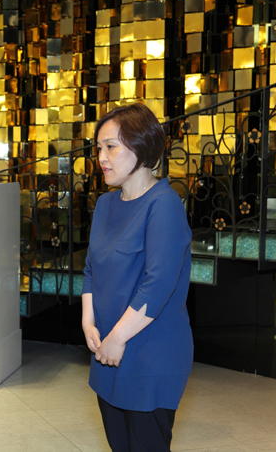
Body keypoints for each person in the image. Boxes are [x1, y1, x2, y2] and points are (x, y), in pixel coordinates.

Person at [81, 103, 193, 452]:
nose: (102, 157)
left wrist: (116, 338)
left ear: (142, 147)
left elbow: (157, 284)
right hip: (107, 353)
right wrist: (88, 323)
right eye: (99, 148)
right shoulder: (105, 204)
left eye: (111, 147)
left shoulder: (164, 204)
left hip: (149, 354)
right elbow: (90, 270)